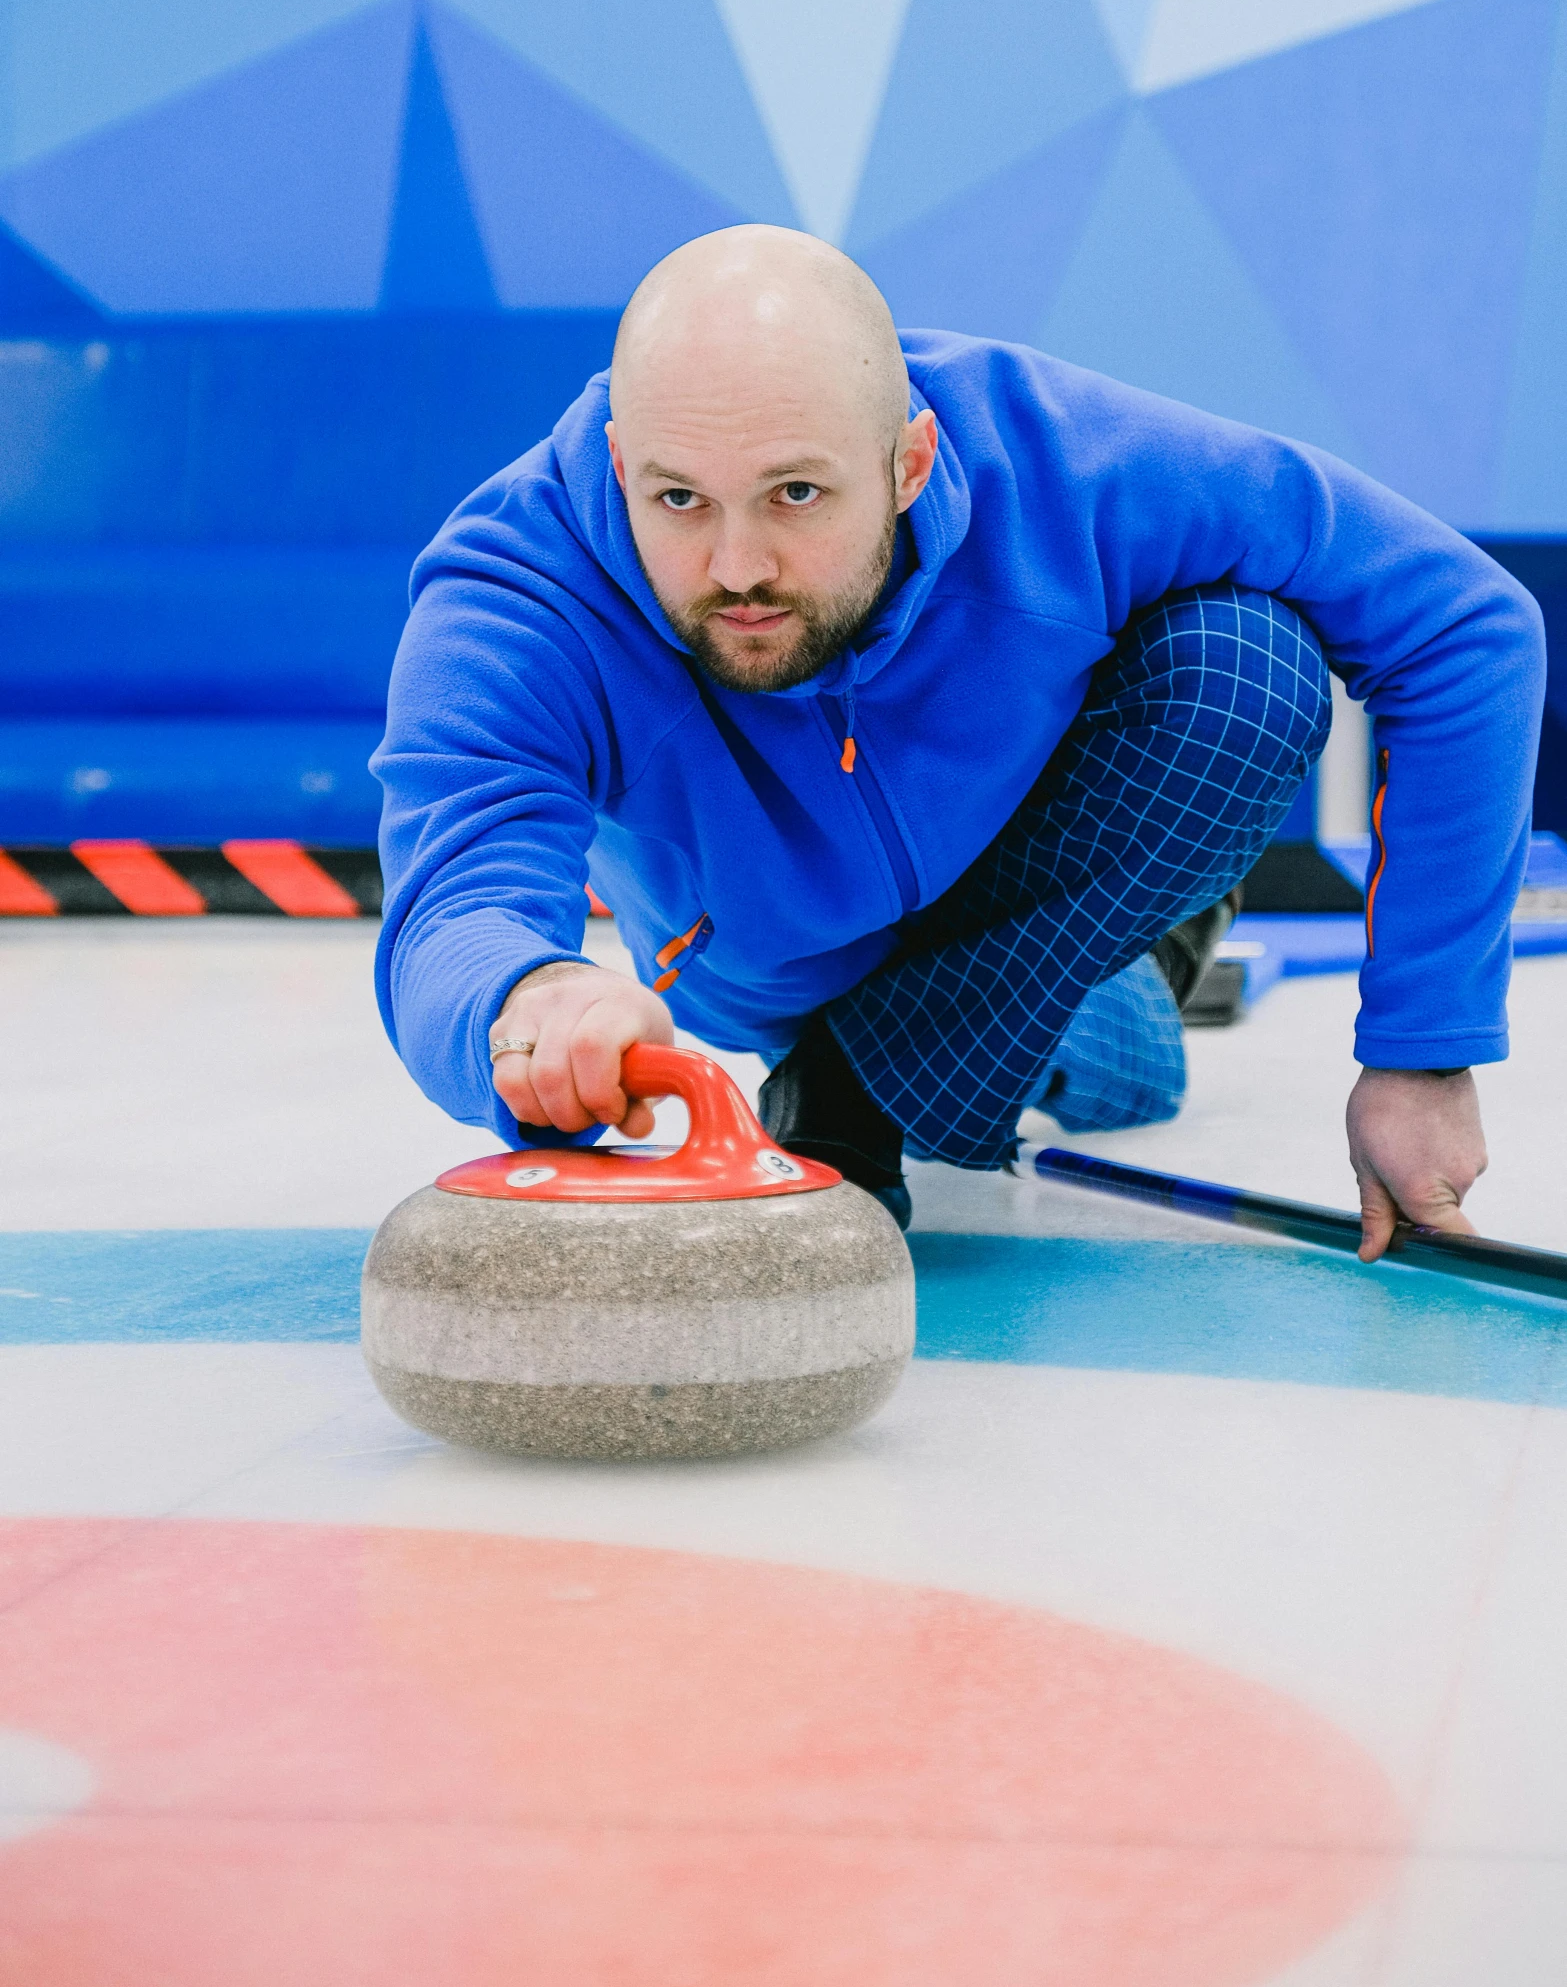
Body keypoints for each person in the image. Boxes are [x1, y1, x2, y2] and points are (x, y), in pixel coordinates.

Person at [373, 226, 1544, 1261]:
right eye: (680, 500)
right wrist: (527, 996)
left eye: (794, 494)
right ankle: (1144, 953)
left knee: (1251, 662)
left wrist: (1422, 1049)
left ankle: (871, 1079)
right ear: (625, 467)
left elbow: (1466, 625)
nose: (736, 566)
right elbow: (451, 900)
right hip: (782, 969)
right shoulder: (515, 590)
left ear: (910, 461)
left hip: (1026, 842)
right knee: (1126, 1054)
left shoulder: (1055, 454)